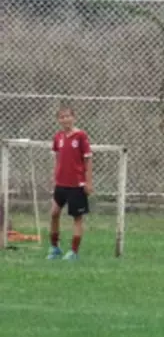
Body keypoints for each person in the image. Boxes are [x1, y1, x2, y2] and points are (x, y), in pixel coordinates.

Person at [47, 106, 92, 261]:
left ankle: (74, 251)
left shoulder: (81, 136)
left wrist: (88, 182)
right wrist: (54, 177)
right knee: (54, 213)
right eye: (62, 117)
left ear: (74, 117)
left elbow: (87, 159)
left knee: (77, 217)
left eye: (68, 116)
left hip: (76, 184)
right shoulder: (58, 137)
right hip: (61, 184)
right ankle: (54, 247)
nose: (65, 119)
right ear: (58, 120)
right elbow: (57, 159)